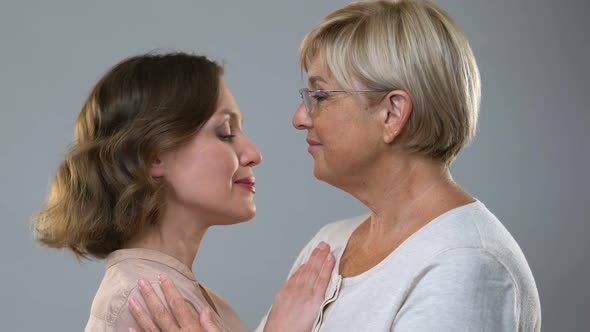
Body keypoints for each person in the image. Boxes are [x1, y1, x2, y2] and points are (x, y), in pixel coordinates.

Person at [131, 0, 542, 331]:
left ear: (392, 113)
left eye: (320, 96)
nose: (300, 117)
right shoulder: (329, 245)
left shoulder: (466, 265)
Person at [33, 52, 335, 332]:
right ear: (154, 156)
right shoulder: (140, 301)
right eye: (225, 133)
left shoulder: (190, 299)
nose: (253, 154)